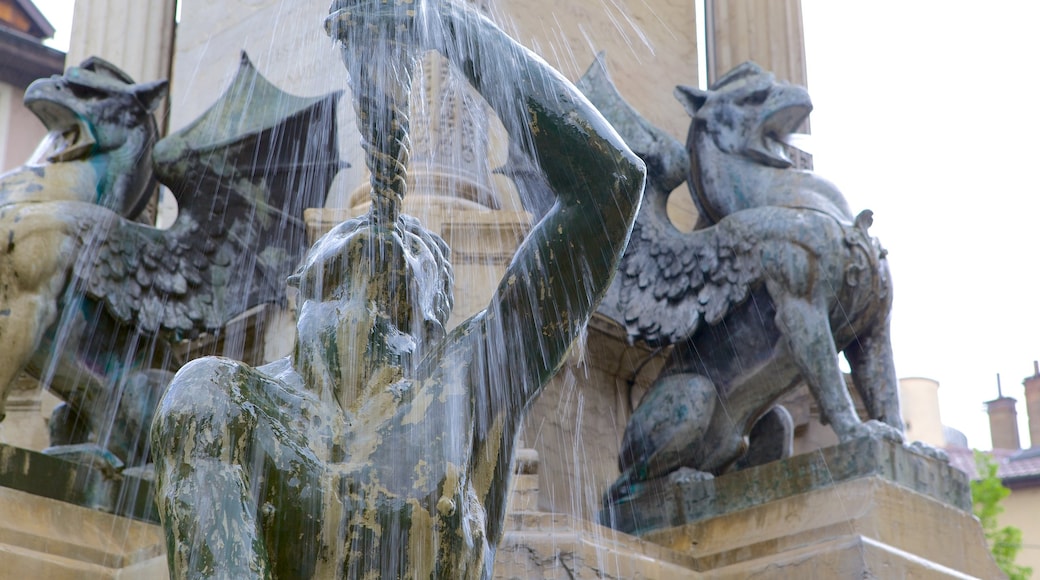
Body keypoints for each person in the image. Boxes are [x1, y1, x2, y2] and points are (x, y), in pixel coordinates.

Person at [150, 1, 645, 578]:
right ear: (299, 286)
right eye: (346, 253)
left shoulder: (472, 375)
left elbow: (611, 183)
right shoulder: (222, 398)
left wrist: (451, 28)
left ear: (436, 318)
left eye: (423, 251)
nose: (394, 231)